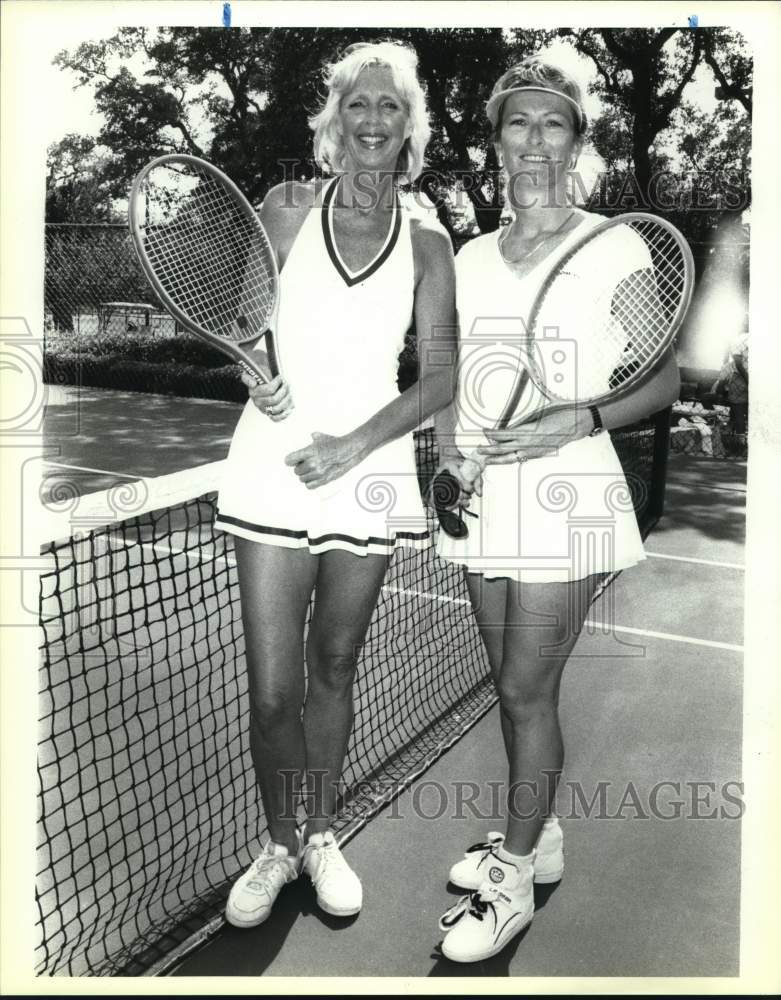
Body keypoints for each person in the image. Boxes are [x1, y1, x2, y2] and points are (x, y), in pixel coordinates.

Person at [433, 57, 681, 963]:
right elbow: (457, 383)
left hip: (568, 486)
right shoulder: (464, 258)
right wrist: (452, 465)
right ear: (494, 139)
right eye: (516, 124)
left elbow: (662, 378)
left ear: (576, 143)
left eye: (552, 125)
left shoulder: (614, 245)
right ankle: (538, 838)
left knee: (524, 689)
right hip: (482, 494)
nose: (533, 140)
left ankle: (509, 875)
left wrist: (573, 418)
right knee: (508, 682)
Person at [215, 41, 456, 928]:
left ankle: (319, 834)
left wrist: (354, 444)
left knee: (336, 664)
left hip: (368, 469)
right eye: (358, 103)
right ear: (333, 118)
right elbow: (245, 322)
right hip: (272, 464)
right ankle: (277, 844)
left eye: (390, 107)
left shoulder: (430, 243)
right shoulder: (283, 208)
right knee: (273, 688)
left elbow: (440, 377)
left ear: (409, 127)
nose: (372, 121)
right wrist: (255, 367)